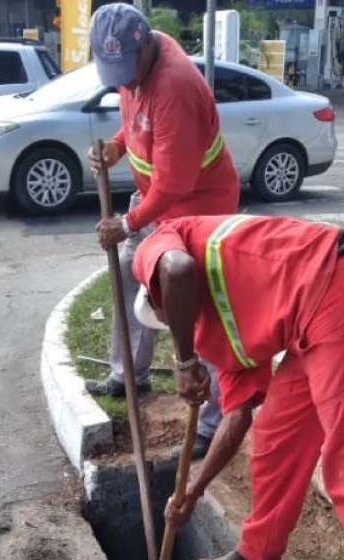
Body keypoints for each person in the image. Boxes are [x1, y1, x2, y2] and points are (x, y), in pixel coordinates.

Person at [132, 215, 344, 560]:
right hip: (307, 326)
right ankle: (257, 550)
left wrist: (185, 364)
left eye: (165, 317)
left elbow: (176, 270)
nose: (173, 325)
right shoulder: (210, 333)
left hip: (339, 285)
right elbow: (236, 417)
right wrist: (193, 492)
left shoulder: (167, 241)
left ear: (157, 294)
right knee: (275, 437)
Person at [86, 3, 240, 460]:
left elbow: (175, 183)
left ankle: (210, 425)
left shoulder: (174, 84)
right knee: (135, 279)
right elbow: (137, 118)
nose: (123, 82)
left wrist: (127, 222)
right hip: (159, 201)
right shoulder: (138, 71)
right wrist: (116, 147)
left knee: (195, 306)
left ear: (146, 46)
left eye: (126, 70)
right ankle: (128, 375)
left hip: (199, 209)